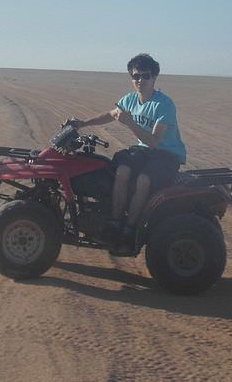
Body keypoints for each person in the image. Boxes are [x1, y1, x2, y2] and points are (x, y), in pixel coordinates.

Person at [68, 53, 186, 253]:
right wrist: (82, 123)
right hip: (143, 150)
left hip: (166, 154)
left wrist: (130, 123)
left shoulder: (164, 104)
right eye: (136, 76)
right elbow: (110, 115)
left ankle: (130, 229)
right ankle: (114, 223)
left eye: (145, 76)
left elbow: (154, 142)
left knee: (143, 180)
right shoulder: (129, 100)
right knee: (121, 171)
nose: (140, 81)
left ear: (154, 77)